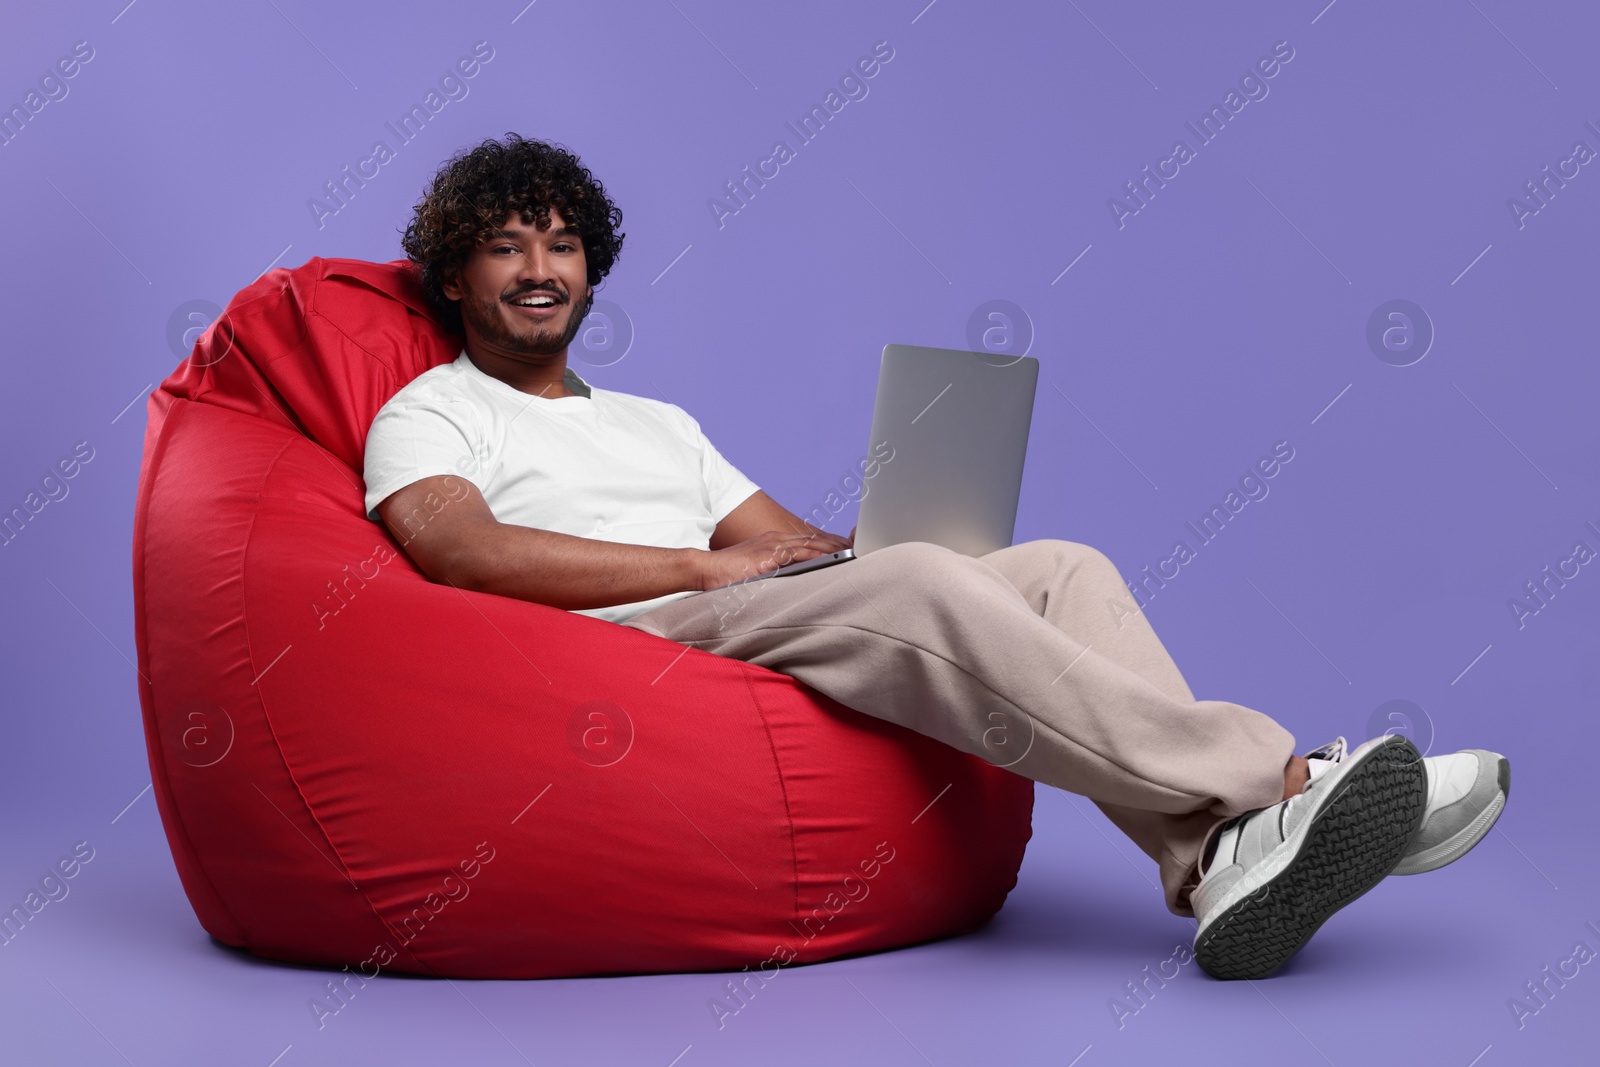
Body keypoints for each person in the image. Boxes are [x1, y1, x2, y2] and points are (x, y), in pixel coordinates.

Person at [363, 134, 1509, 980]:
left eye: (560, 244)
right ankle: (1283, 783)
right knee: (915, 586)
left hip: (733, 603)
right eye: (505, 246)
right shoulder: (433, 410)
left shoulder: (657, 422)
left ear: (592, 271)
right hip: (627, 635)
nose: (537, 268)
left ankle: (1217, 862)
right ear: (455, 273)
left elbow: (790, 545)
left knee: (1057, 564)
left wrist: (870, 541)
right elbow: (456, 548)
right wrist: (707, 569)